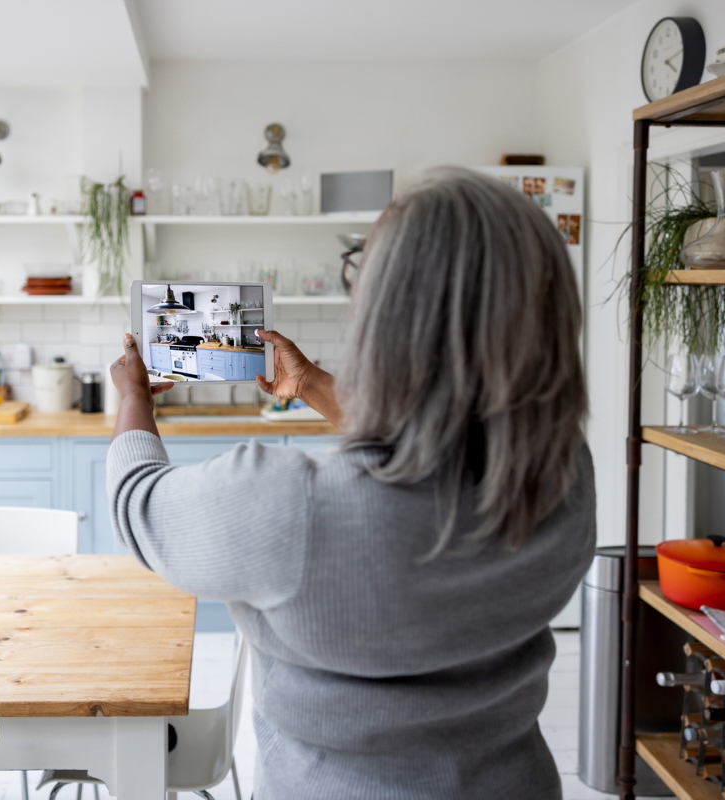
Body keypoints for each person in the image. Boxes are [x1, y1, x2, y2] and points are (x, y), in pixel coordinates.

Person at [107, 166, 595, 800]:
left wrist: (132, 397)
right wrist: (309, 383)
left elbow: (136, 501)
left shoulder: (289, 505)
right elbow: (437, 438)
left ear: (388, 318)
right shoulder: (563, 476)